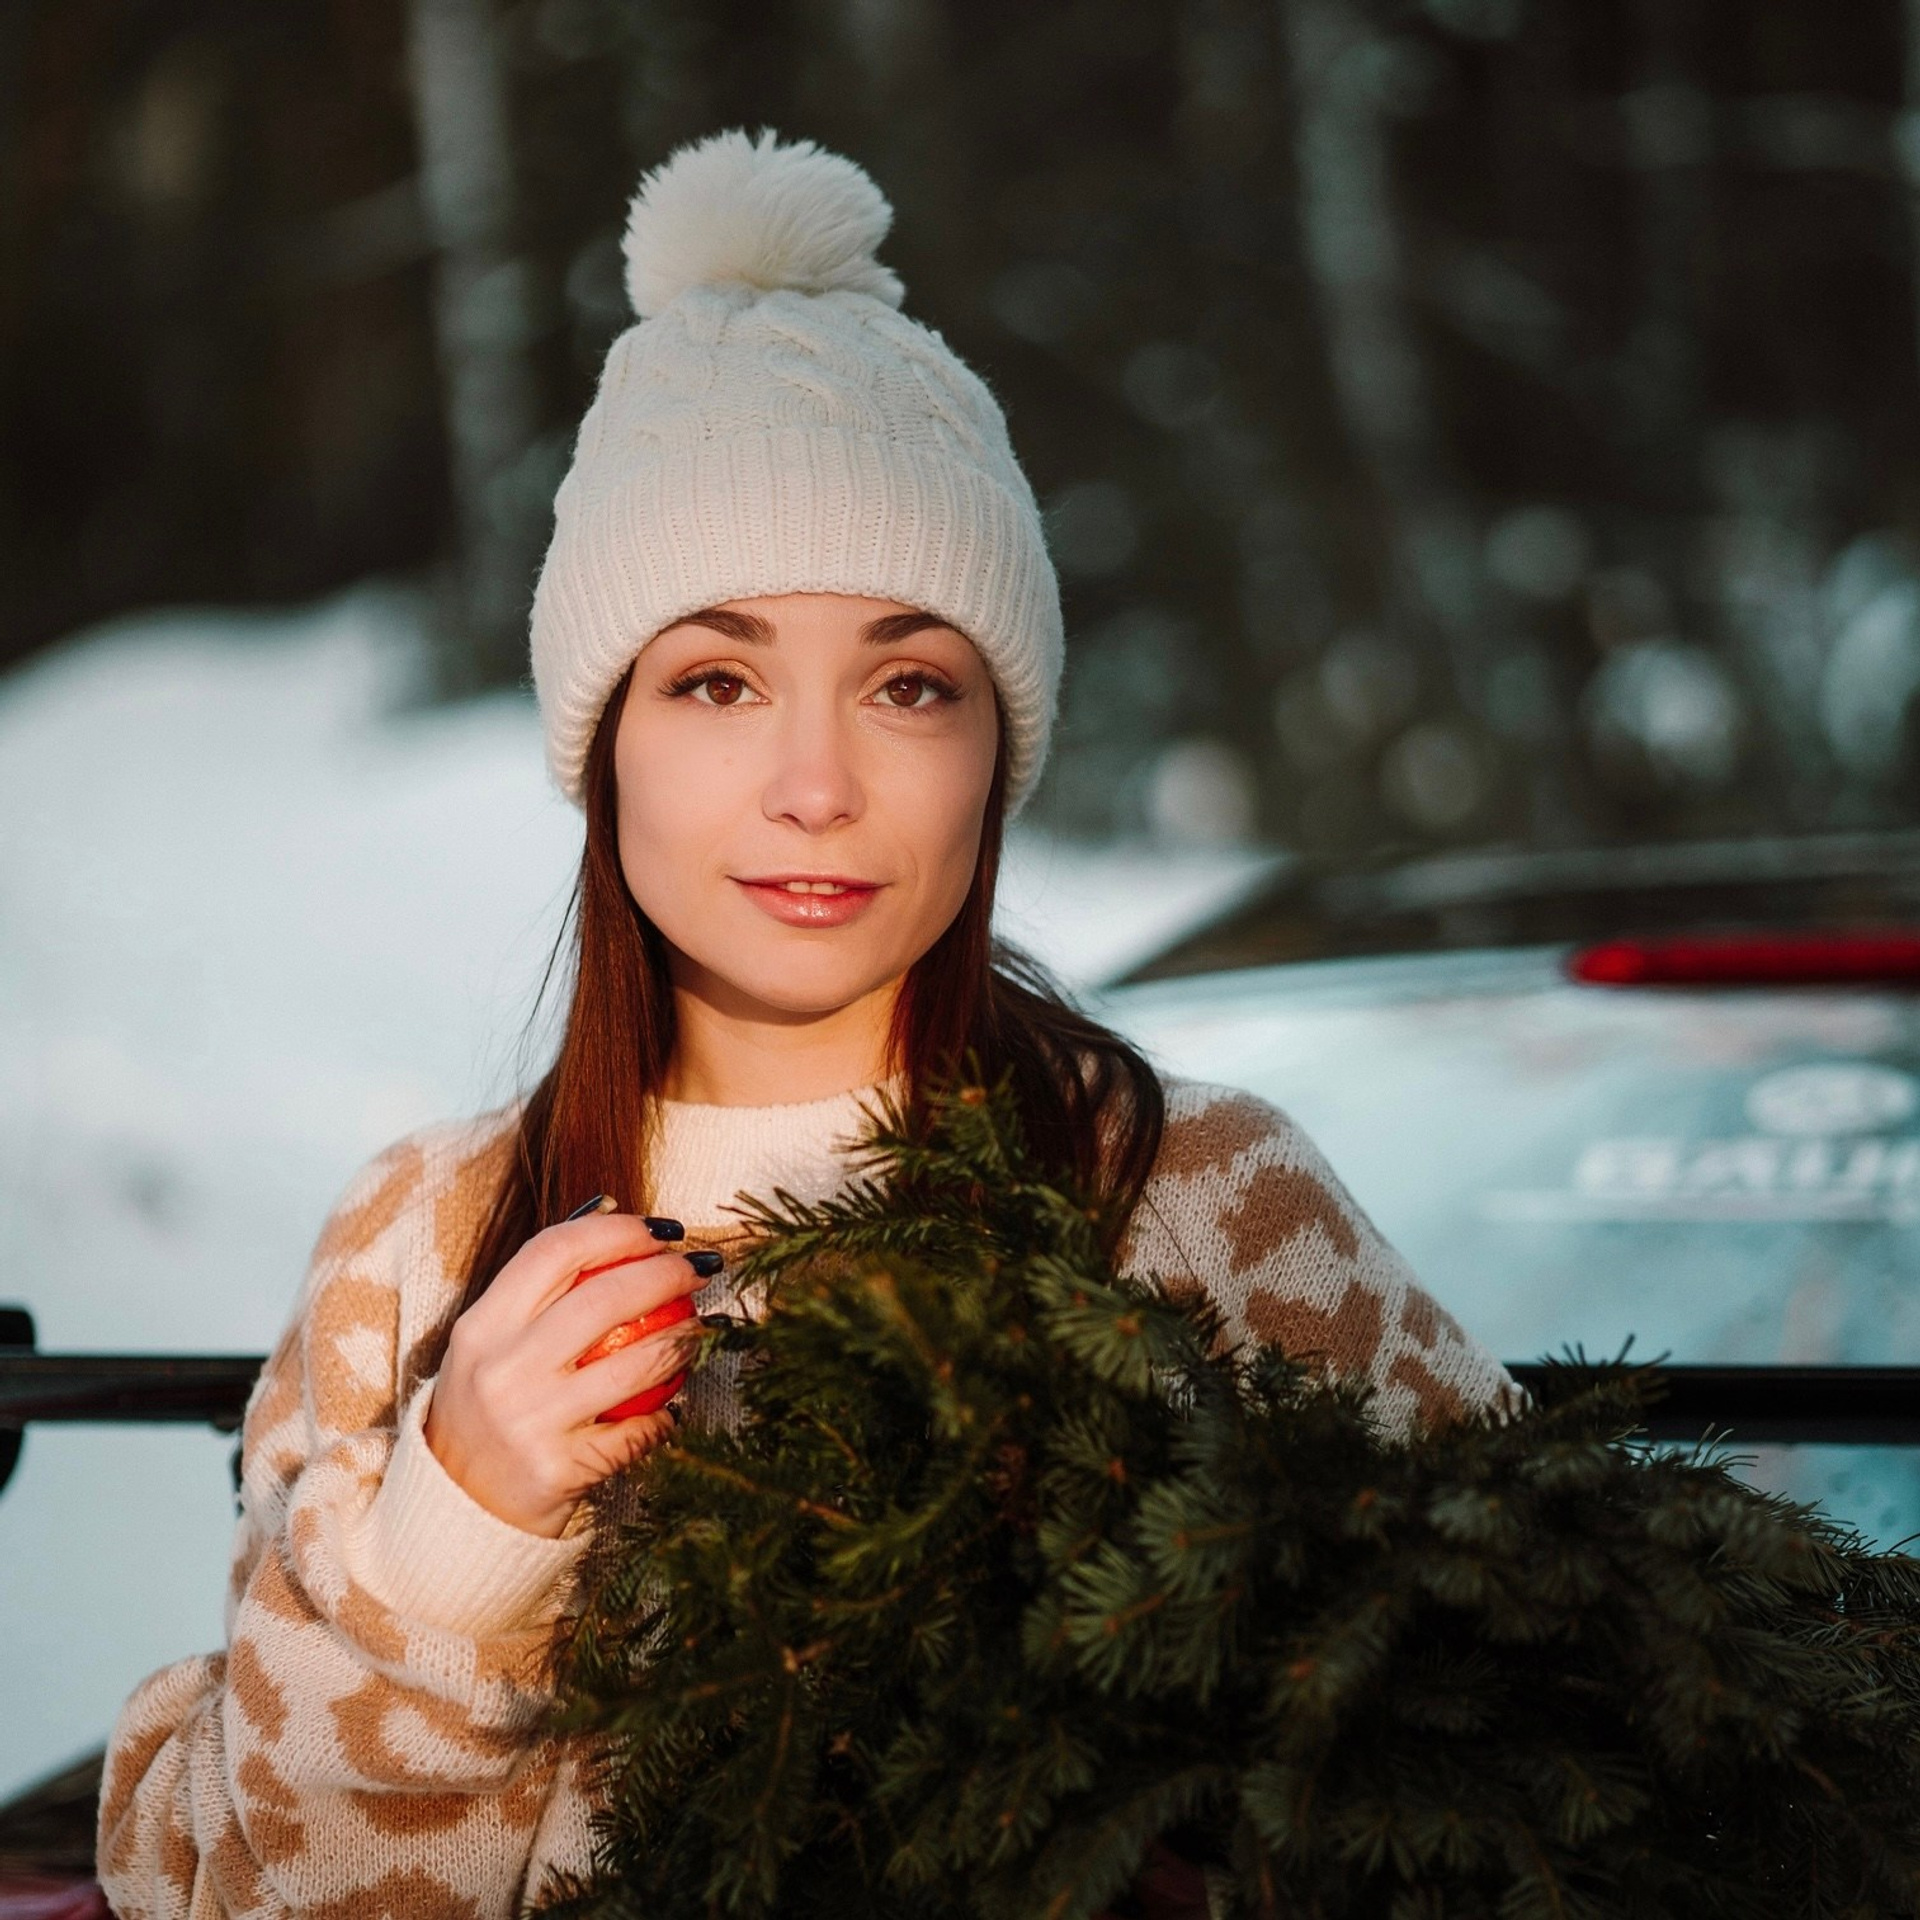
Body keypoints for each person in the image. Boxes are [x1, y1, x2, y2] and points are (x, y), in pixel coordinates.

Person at [95, 128, 1516, 1920]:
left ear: (1000, 750)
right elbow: (229, 1891)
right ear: (601, 740)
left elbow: (1535, 1748)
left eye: (911, 684)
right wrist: (447, 1539)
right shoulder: (421, 1243)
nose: (818, 785)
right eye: (717, 679)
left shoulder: (1193, 1198)